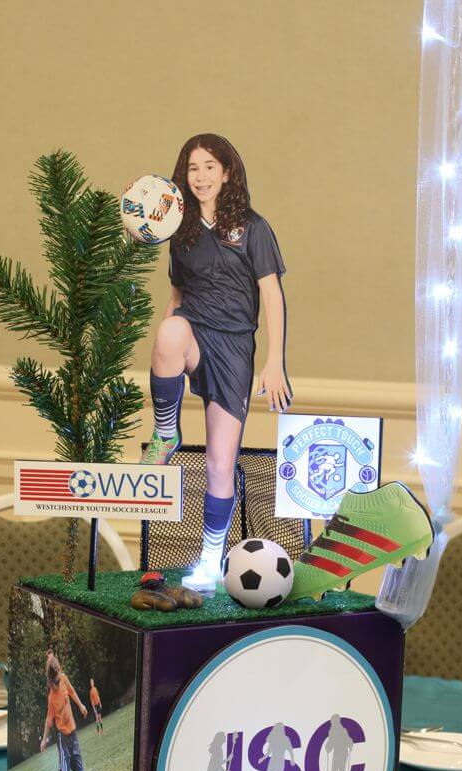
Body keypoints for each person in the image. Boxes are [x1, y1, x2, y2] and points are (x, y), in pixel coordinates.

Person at [140, 133, 291, 577]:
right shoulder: (180, 231)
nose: (201, 176)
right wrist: (163, 351)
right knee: (169, 330)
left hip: (233, 345)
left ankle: (209, 558)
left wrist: (274, 362)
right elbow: (176, 294)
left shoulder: (253, 227)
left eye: (209, 166)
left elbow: (273, 295)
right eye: (192, 168)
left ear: (227, 172)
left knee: (220, 464)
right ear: (182, 177)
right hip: (194, 330)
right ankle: (166, 432)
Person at [40, 651, 88, 771]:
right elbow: (49, 721)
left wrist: (81, 706)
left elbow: (72, 692)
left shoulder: (63, 679)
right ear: (58, 669)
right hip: (64, 737)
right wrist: (44, 740)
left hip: (72, 734)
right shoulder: (52, 697)